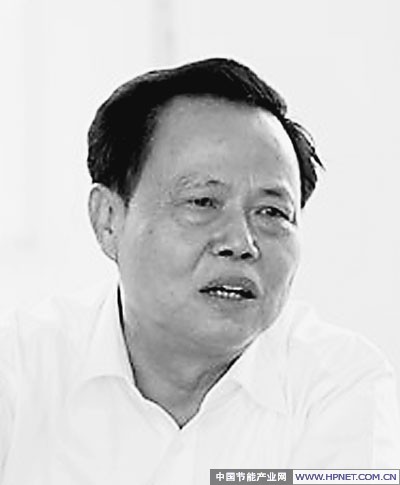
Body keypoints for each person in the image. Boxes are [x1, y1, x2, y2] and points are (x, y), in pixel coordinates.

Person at [0, 58, 399, 484]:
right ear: (109, 219)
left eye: (271, 212)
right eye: (203, 202)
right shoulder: (19, 369)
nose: (241, 243)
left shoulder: (339, 386)